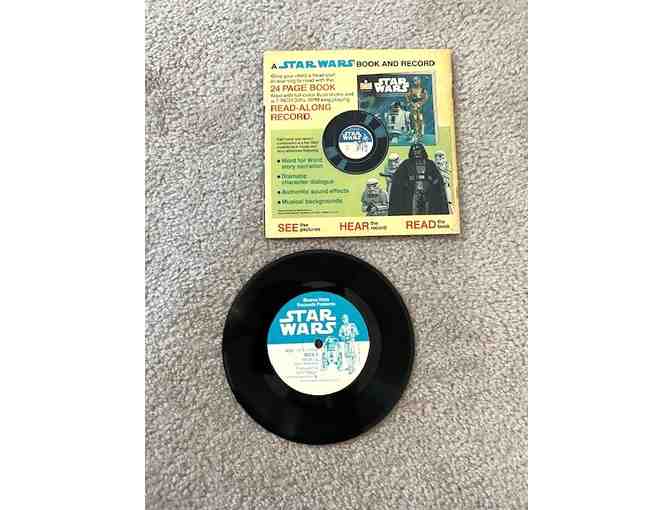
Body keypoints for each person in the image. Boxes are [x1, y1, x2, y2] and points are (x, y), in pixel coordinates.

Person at [388, 143, 449, 215]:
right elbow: (398, 178)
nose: (416, 152)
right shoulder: (406, 164)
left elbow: (437, 178)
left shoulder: (430, 163)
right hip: (412, 192)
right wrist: (406, 184)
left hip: (428, 191)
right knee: (413, 211)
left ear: (422, 150)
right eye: (414, 150)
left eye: (418, 149)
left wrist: (433, 184)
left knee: (427, 211)